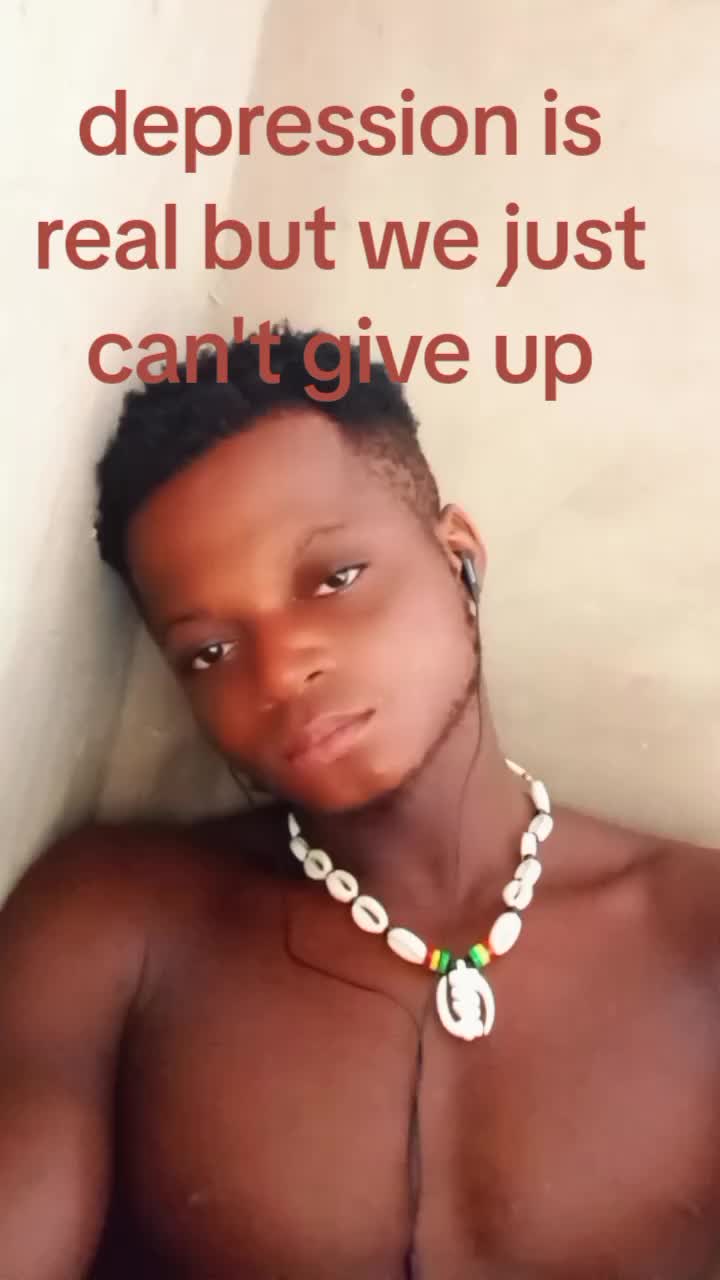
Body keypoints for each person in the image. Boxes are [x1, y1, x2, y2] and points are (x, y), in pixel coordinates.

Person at [1, 327, 719, 1280]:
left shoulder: (699, 933)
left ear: (458, 558)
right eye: (210, 650)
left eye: (333, 579)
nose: (280, 669)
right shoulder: (119, 927)